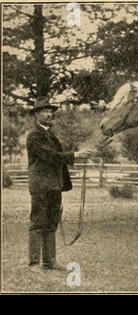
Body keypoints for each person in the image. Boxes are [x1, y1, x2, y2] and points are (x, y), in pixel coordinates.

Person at [26, 97, 94, 272]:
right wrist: (76, 155)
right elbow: (51, 156)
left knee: (51, 223)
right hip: (41, 185)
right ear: (36, 115)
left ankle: (50, 262)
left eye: (50, 111)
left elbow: (57, 157)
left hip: (54, 185)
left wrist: (76, 156)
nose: (49, 114)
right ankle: (34, 263)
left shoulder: (49, 135)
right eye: (44, 111)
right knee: (38, 223)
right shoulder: (34, 136)